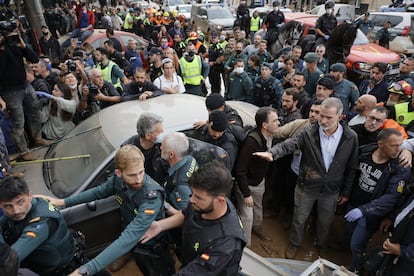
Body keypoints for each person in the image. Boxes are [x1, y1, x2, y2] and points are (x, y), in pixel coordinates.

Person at [44, 145, 175, 276]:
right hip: (134, 242)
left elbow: (130, 236)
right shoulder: (117, 181)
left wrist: (86, 270)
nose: (139, 179)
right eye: (132, 175)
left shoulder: (152, 196)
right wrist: (63, 202)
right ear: (119, 173)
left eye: (141, 172)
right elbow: (98, 192)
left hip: (152, 246)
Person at [254, 97, 358, 259]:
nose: (322, 120)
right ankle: (294, 244)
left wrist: (345, 192)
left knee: (325, 221)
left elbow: (351, 167)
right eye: (321, 115)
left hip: (331, 190)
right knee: (299, 218)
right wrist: (272, 153)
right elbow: (290, 144)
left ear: (340, 116)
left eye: (328, 117)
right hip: (306, 186)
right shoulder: (309, 132)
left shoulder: (350, 137)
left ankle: (321, 245)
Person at [141, 161, 246, 275]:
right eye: (193, 194)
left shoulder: (225, 243)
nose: (191, 200)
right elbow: (187, 214)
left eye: (198, 197)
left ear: (220, 201)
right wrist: (160, 225)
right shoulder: (206, 203)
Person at [344, 128, 411, 272]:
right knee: (349, 231)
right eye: (394, 145)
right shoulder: (365, 151)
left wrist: (364, 210)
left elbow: (392, 198)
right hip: (353, 202)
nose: (399, 149)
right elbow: (351, 171)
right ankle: (344, 249)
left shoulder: (401, 166)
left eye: (401, 145)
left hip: (371, 214)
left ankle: (356, 267)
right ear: (381, 144)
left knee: (357, 243)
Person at [0, 176, 74, 275]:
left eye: (20, 202)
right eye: (8, 206)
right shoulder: (25, 209)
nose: (16, 211)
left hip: (59, 271)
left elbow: (10, 260)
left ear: (30, 196)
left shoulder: (42, 221)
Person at [234, 107, 280, 247]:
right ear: (265, 125)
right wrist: (246, 194)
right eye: (275, 120)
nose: (279, 123)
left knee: (258, 208)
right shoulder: (251, 142)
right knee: (247, 217)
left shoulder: (270, 136)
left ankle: (258, 229)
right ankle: (246, 246)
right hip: (246, 185)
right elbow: (240, 170)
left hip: (259, 182)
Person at [0, 31, 39, 161]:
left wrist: (23, 45)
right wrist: (2, 50)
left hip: (24, 84)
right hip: (9, 91)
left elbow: (34, 59)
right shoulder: (3, 50)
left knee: (35, 109)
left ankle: (37, 138)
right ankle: (24, 151)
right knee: (18, 121)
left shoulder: (14, 45)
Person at [122, 113, 168, 184]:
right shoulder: (128, 149)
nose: (163, 133)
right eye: (160, 131)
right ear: (148, 136)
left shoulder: (164, 145)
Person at [160, 132, 198, 211]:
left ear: (171, 154)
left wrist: (164, 205)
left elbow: (185, 215)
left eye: (162, 146)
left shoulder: (179, 185)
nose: (160, 148)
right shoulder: (190, 159)